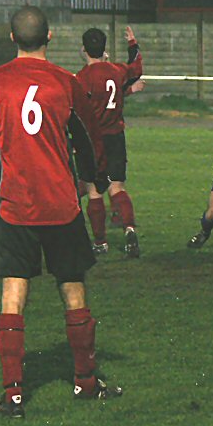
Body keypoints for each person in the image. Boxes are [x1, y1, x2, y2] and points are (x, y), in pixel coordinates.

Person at [0, 6, 119, 420]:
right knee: (72, 287)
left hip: (14, 205)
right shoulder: (67, 83)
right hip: (60, 204)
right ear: (51, 37)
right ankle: (85, 381)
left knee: (13, 291)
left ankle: (13, 396)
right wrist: (93, 178)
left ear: (11, 38)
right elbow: (87, 139)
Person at [76, 26, 144, 258]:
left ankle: (101, 242)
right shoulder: (116, 70)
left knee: (94, 191)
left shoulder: (82, 78)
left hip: (93, 141)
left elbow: (78, 111)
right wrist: (133, 44)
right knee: (117, 187)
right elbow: (136, 68)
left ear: (83, 49)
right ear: (104, 49)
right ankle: (129, 228)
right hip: (116, 137)